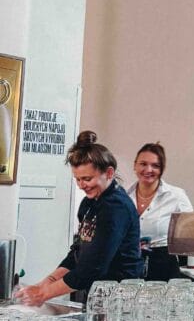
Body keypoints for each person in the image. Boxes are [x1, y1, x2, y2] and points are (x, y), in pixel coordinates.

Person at [19, 130, 143, 306]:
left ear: (109, 173)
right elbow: (77, 254)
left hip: (121, 297)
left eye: (87, 179)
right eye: (77, 180)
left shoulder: (116, 208)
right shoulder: (88, 203)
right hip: (97, 295)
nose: (81, 185)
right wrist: (45, 282)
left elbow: (92, 268)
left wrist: (43, 294)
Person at [125, 141, 192, 281]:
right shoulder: (124, 196)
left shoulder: (176, 196)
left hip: (163, 265)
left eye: (155, 165)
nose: (148, 170)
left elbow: (190, 232)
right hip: (128, 264)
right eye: (143, 164)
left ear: (162, 169)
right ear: (135, 165)